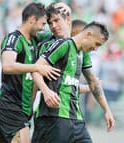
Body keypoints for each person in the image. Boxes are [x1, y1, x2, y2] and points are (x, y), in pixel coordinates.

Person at [32, 21, 115, 143]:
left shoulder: (83, 54)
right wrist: (46, 91)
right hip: (54, 117)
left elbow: (93, 82)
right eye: (96, 44)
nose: (96, 49)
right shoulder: (63, 45)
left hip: (76, 119)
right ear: (88, 34)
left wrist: (107, 110)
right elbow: (35, 69)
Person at [0, 2, 60, 143]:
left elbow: (59, 34)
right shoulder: (14, 38)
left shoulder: (35, 39)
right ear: (32, 20)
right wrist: (36, 67)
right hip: (9, 105)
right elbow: (8, 66)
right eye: (42, 24)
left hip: (22, 108)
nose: (43, 28)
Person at [32, 3, 91, 142]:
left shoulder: (79, 47)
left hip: (75, 117)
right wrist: (45, 92)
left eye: (57, 20)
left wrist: (90, 88)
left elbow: (67, 82)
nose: (53, 26)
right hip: (51, 116)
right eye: (50, 22)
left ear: (68, 19)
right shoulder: (47, 44)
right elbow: (35, 72)